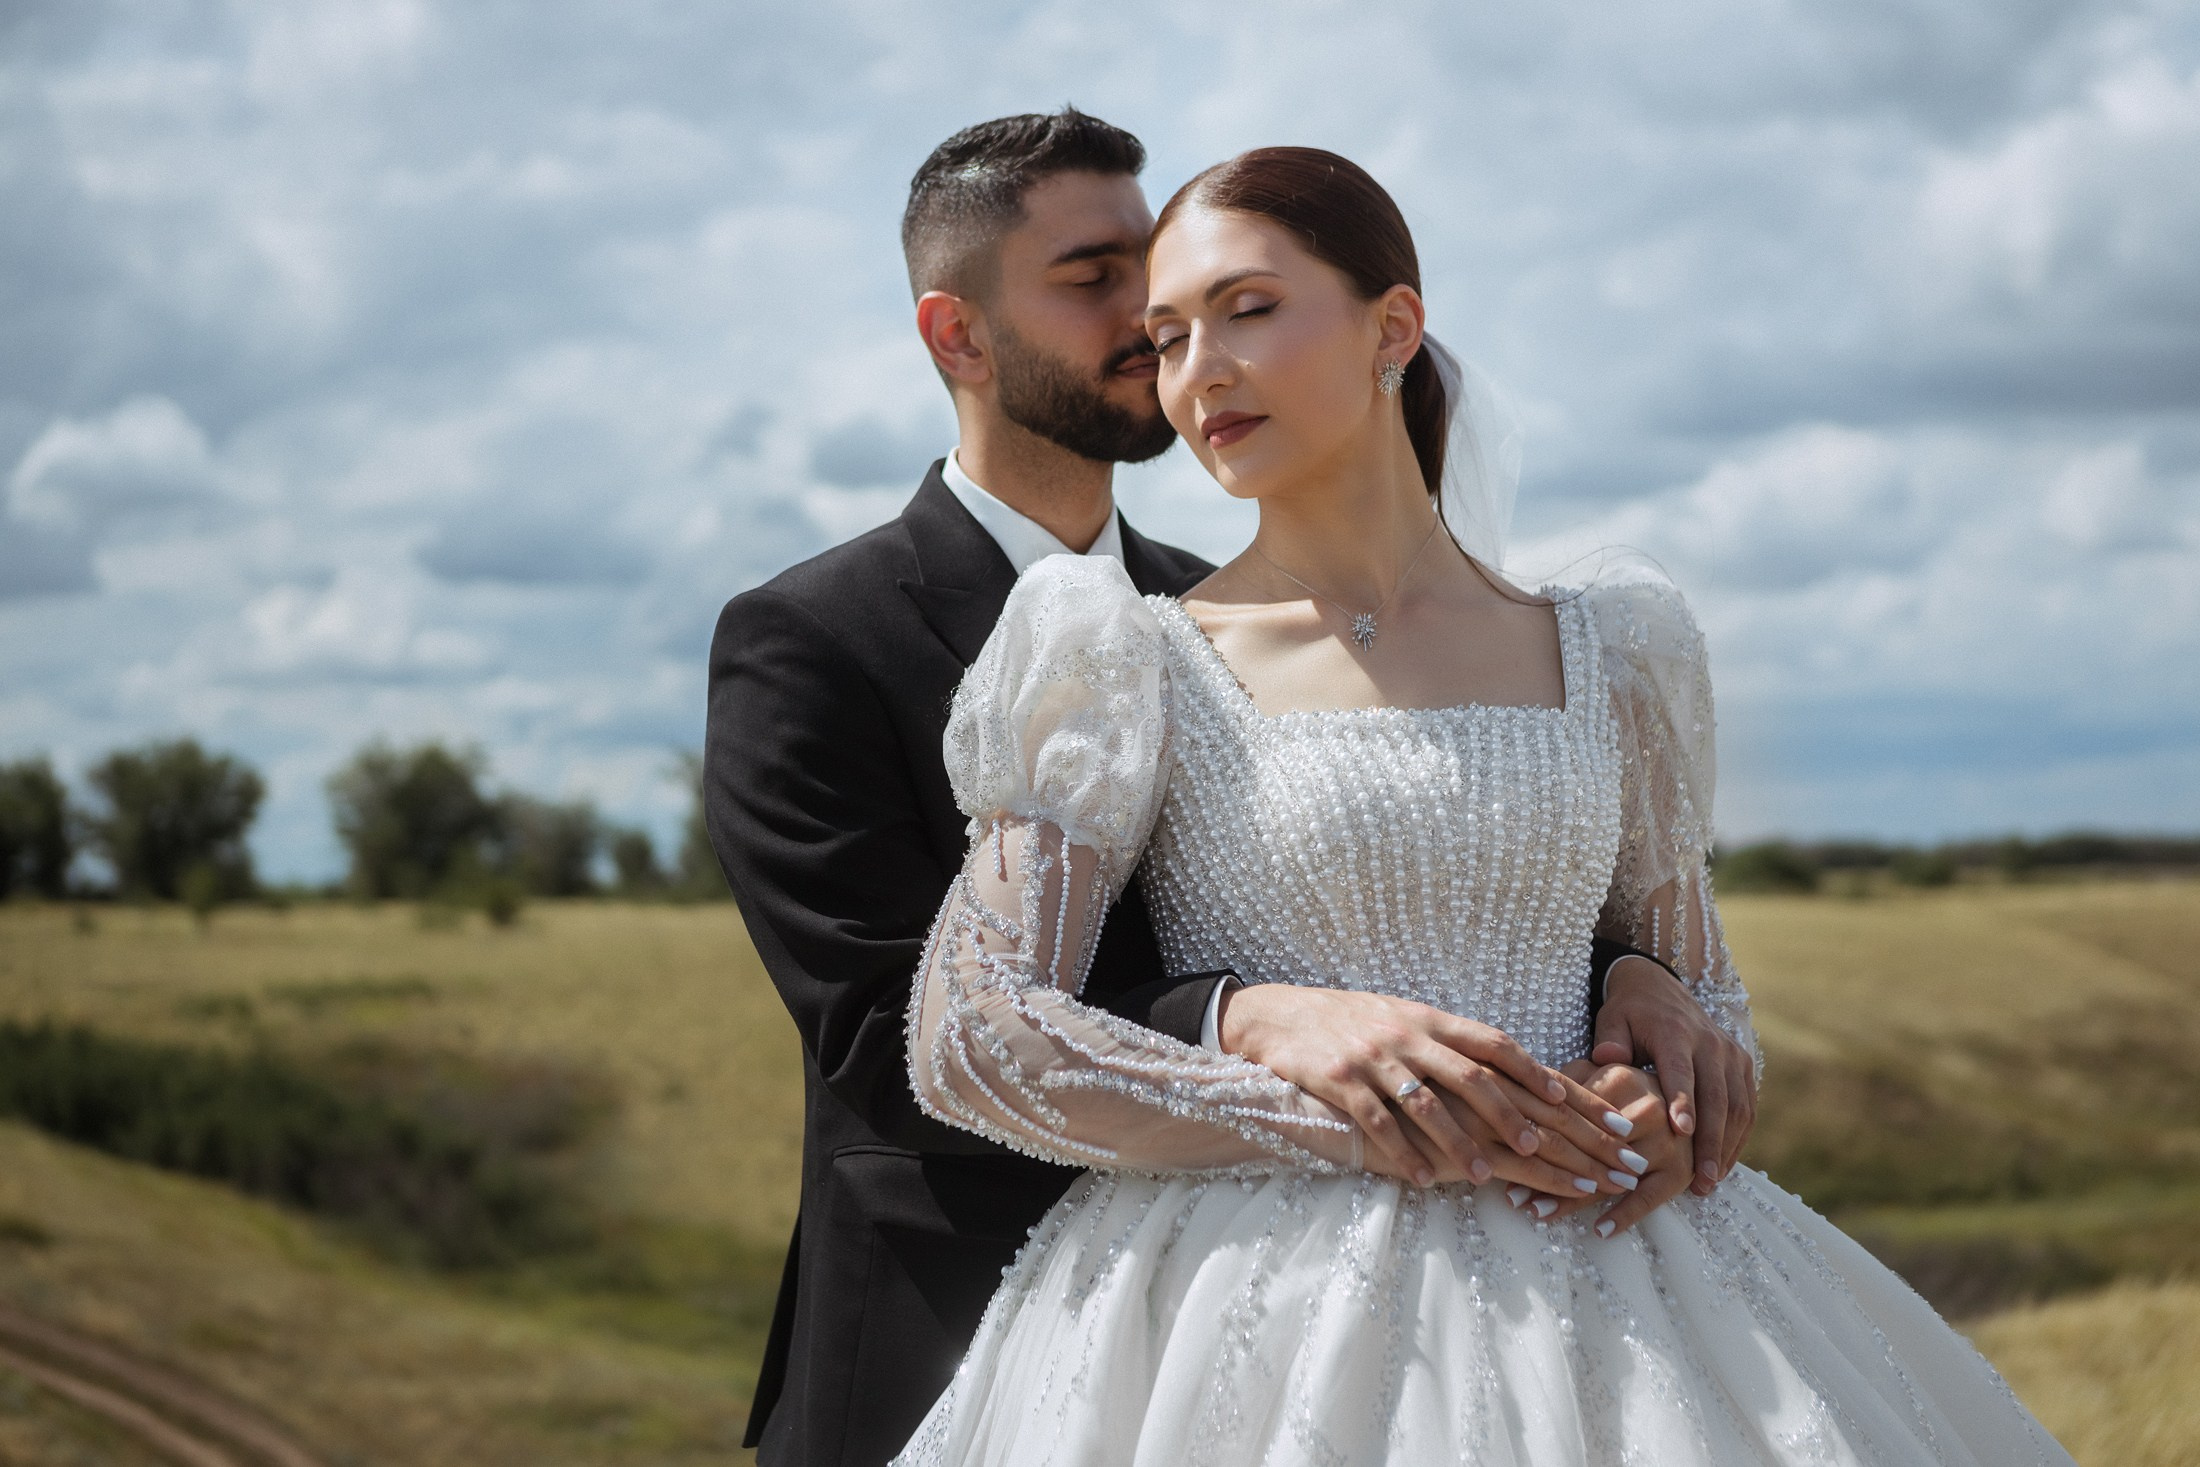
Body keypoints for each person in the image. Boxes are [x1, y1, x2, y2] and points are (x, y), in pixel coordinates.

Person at [890, 148, 2073, 1465]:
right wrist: (1353, 1116)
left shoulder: (1619, 645)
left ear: (1394, 325)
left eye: (1250, 308)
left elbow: (1707, 1004)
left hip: (1631, 1278)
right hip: (1257, 1312)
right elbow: (973, 1037)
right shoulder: (1117, 654)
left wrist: (1670, 1108)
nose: (1199, 370)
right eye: (1167, 337)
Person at [708, 111, 1749, 1467]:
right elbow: (887, 1040)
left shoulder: (1223, 600)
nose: (1155, 340)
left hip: (1526, 1298)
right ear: (956, 336)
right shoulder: (816, 635)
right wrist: (1242, 1021)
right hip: (984, 1334)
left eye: (1201, 299)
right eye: (1102, 288)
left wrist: (1633, 980)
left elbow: (1436, 856)